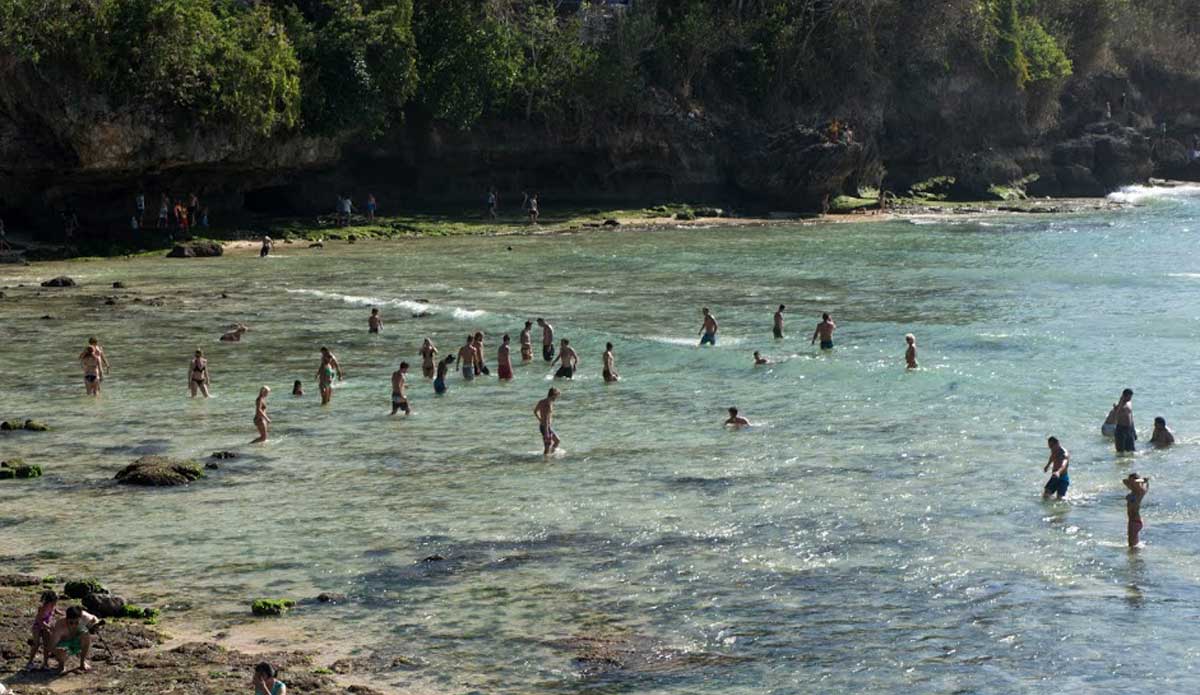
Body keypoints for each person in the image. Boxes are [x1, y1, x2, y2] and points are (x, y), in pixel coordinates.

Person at [47, 606, 98, 674]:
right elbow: (51, 646)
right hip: (65, 645)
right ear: (66, 619)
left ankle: (82, 662)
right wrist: (58, 651)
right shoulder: (60, 626)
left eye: (76, 622)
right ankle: (61, 665)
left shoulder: (85, 617)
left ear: (80, 619)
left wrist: (94, 625)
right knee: (61, 651)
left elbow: (96, 620)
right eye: (71, 623)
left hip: (76, 641)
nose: (74, 625)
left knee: (86, 635)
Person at [25, 589, 58, 671]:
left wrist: (63, 614)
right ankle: (29, 663)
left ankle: (45, 664)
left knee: (47, 645)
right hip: (37, 627)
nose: (55, 603)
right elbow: (39, 620)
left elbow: (55, 611)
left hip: (45, 627)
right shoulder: (42, 608)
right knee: (36, 644)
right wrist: (48, 627)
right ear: (49, 601)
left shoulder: (52, 606)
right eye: (54, 601)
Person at [1124, 473, 1149, 548]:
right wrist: (1135, 481)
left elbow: (1145, 484)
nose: (1131, 484)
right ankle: (1134, 557)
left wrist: (1142, 480)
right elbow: (1124, 481)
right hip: (1131, 520)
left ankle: (1134, 558)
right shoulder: (1133, 491)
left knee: (1132, 545)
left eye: (1133, 482)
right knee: (1132, 544)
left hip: (1135, 520)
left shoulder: (1140, 491)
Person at [534, 388, 561, 456]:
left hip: (543, 426)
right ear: (553, 395)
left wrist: (540, 419)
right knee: (548, 445)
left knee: (556, 441)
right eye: (557, 396)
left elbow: (535, 411)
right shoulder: (548, 404)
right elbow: (546, 418)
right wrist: (546, 433)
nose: (557, 398)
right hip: (546, 427)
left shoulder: (541, 401)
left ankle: (550, 455)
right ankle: (546, 459)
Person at [1114, 388, 1136, 453]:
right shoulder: (1120, 405)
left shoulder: (1129, 403)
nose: (1130, 398)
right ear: (1124, 396)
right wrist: (1121, 401)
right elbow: (1116, 413)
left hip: (1129, 428)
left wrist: (1133, 429)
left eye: (1131, 396)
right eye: (1129, 397)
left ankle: (1129, 462)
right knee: (1120, 450)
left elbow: (1131, 416)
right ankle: (1120, 462)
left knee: (1131, 450)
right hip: (1121, 428)